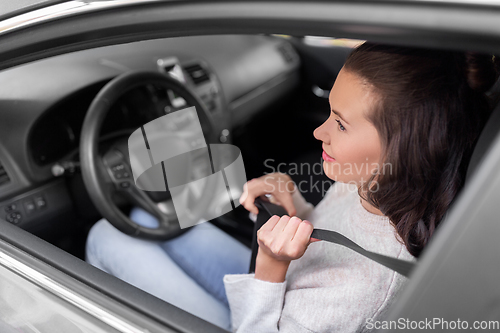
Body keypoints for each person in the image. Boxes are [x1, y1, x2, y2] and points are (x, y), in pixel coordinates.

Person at [85, 42, 497, 332]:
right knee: (141, 217)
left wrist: (270, 264)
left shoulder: (362, 290)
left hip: (258, 315)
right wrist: (296, 208)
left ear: (404, 147)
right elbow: (335, 237)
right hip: (284, 284)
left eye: (340, 122)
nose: (320, 131)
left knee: (106, 235)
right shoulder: (377, 185)